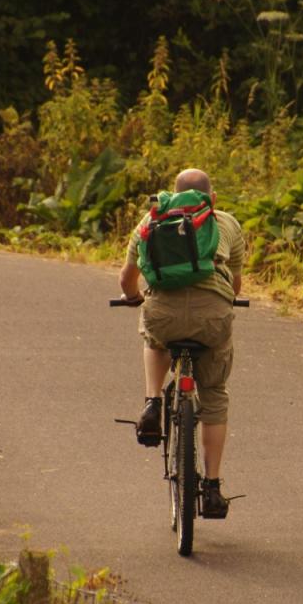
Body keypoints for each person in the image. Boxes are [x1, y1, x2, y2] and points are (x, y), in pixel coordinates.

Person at [118, 168, 245, 517]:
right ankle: (213, 488)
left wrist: (133, 298)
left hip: (164, 313)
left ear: (173, 194)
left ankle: (151, 403)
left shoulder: (151, 219)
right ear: (211, 198)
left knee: (154, 337)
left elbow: (128, 279)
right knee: (214, 393)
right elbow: (235, 287)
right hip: (212, 317)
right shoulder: (226, 223)